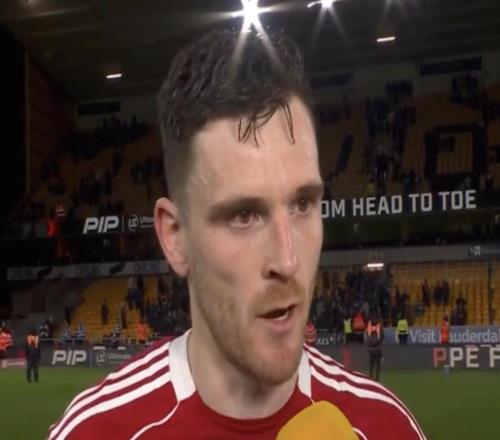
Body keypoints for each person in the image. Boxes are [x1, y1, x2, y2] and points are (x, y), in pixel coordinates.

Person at [48, 30, 425, 439]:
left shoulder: (387, 426)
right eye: (244, 215)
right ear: (175, 237)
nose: (287, 261)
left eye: (303, 204)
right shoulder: (94, 431)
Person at [366, 316, 384, 382]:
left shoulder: (369, 327)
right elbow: (382, 338)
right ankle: (377, 380)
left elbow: (367, 338)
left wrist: (369, 347)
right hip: (378, 350)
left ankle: (370, 379)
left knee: (371, 366)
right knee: (377, 367)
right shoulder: (380, 328)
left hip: (371, 350)